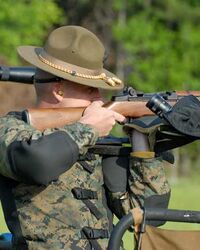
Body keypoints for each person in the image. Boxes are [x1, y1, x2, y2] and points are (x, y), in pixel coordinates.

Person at [0, 26, 171, 249]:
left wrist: (141, 141)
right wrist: (88, 128)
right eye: (90, 90)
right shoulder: (11, 129)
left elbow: (149, 216)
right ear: (58, 91)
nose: (99, 100)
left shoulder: (97, 139)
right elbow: (37, 163)